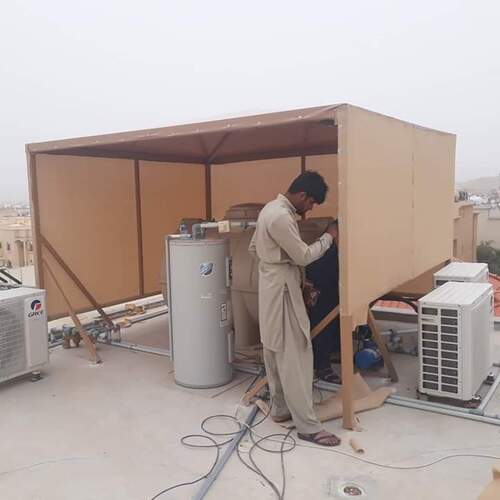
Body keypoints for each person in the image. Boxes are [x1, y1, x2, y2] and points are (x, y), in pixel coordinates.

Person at [249, 171, 340, 447]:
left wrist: (284, 270)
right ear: (302, 195)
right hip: (282, 289)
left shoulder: (269, 209)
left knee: (274, 350)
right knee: (296, 355)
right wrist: (329, 237)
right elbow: (303, 256)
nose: (309, 210)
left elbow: (254, 249)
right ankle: (308, 427)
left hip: (271, 285)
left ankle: (280, 409)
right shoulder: (281, 216)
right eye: (311, 203)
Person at [305, 237, 341, 383]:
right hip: (323, 287)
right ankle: (322, 364)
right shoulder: (327, 254)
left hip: (334, 285)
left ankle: (331, 353)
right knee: (324, 317)